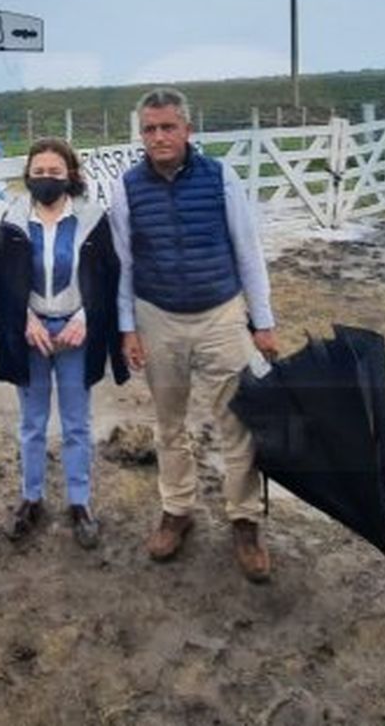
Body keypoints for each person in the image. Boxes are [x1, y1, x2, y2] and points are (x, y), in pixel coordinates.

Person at [108, 88, 281, 582]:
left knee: (236, 422)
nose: (159, 137)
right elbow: (125, 263)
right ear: (141, 135)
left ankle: (245, 520)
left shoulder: (220, 177)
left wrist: (261, 321)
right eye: (149, 129)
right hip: (157, 315)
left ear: (188, 130)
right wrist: (127, 329)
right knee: (169, 424)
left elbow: (248, 251)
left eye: (168, 127)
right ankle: (177, 509)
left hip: (221, 315)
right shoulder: (127, 188)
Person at [0, 137, 127, 549]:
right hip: (32, 334)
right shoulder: (12, 219)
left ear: (70, 176)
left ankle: (80, 503)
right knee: (31, 423)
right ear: (28, 175)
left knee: (77, 423)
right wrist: (24, 318)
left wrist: (85, 317)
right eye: (39, 172)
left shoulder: (92, 219)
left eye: (55, 172)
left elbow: (108, 276)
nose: (46, 179)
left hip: (77, 333)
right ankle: (31, 497)